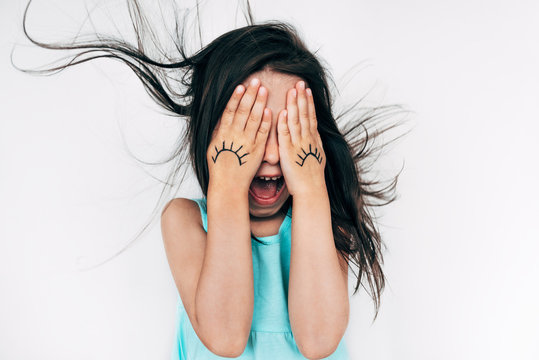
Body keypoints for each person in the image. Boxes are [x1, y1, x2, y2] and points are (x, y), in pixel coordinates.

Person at [16, 1, 408, 358]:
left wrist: (310, 187)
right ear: (212, 134)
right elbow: (225, 338)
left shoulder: (326, 217)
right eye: (251, 130)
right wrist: (227, 186)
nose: (271, 154)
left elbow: (319, 340)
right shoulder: (185, 221)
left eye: (289, 132)